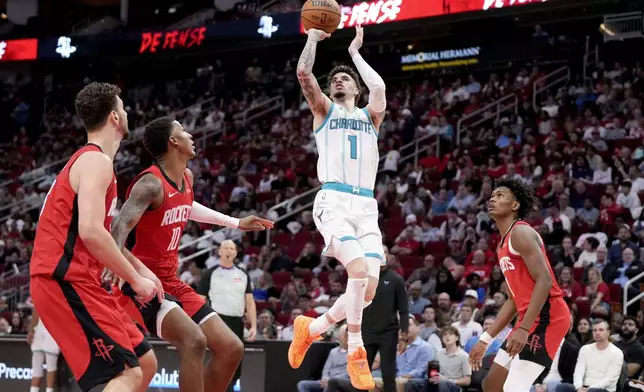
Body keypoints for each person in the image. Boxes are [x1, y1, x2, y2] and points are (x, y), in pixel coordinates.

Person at [109, 117, 273, 392]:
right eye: (183, 131)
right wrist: (117, 267)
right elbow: (118, 225)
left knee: (231, 347)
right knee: (194, 341)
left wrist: (235, 222)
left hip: (171, 279)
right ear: (173, 141)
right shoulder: (150, 184)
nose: (190, 135)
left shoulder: (186, 178)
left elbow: (187, 205)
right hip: (143, 282)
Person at [29, 82, 160, 392]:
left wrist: (141, 269)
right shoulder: (95, 161)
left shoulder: (93, 162)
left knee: (147, 363)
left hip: (83, 280)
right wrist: (136, 280)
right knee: (126, 375)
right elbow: (90, 231)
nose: (127, 112)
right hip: (63, 280)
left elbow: (99, 232)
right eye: (123, 107)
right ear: (115, 117)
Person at [288, 25, 387, 390]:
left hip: (366, 205)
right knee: (358, 271)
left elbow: (378, 89)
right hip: (333, 199)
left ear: (355, 88)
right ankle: (356, 350)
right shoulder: (324, 110)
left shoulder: (370, 116)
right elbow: (304, 73)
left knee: (370, 288)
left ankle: (311, 328)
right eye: (336, 80)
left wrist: (356, 54)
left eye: (346, 79)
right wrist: (313, 39)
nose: (339, 82)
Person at [469, 177, 571, 392]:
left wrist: (524, 327)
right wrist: (485, 339)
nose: (492, 199)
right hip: (529, 317)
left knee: (514, 388)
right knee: (492, 384)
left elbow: (545, 281)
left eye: (500, 195)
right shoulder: (502, 245)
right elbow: (513, 299)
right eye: (492, 195)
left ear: (515, 205)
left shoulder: (521, 232)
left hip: (548, 316)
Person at [197, 239, 258, 392]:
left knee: (235, 364)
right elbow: (199, 300)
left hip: (237, 323)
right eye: (226, 248)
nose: (229, 251)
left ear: (236, 253)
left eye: (232, 248)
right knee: (219, 360)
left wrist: (254, 326)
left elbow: (250, 303)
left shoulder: (243, 275)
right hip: (217, 322)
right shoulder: (210, 273)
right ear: (219, 251)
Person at [296, 324, 350, 392]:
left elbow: (348, 373)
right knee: (302, 384)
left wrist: (330, 381)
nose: (345, 337)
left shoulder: (353, 353)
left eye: (346, 335)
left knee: (331, 385)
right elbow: (326, 369)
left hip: (340, 382)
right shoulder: (333, 351)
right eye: (343, 335)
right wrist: (325, 379)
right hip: (326, 380)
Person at [27, 308, 60, 392]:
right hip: (40, 326)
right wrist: (31, 329)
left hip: (54, 325)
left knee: (51, 360)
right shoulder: (39, 295)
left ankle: (49, 390)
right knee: (36, 362)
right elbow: (36, 308)